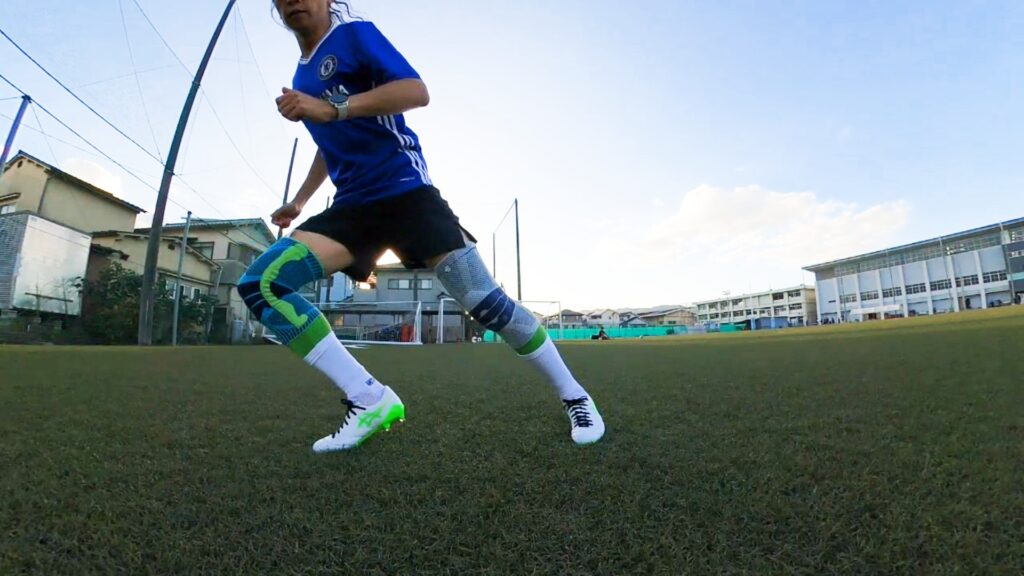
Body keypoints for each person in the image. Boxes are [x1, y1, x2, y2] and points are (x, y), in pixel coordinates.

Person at [240, 0, 605, 453]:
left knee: (484, 302)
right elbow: (329, 143)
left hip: (406, 192)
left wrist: (333, 108)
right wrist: (299, 201)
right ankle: (368, 398)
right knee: (262, 284)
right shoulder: (301, 77)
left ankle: (576, 396)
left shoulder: (354, 34)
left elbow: (415, 91)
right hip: (353, 207)